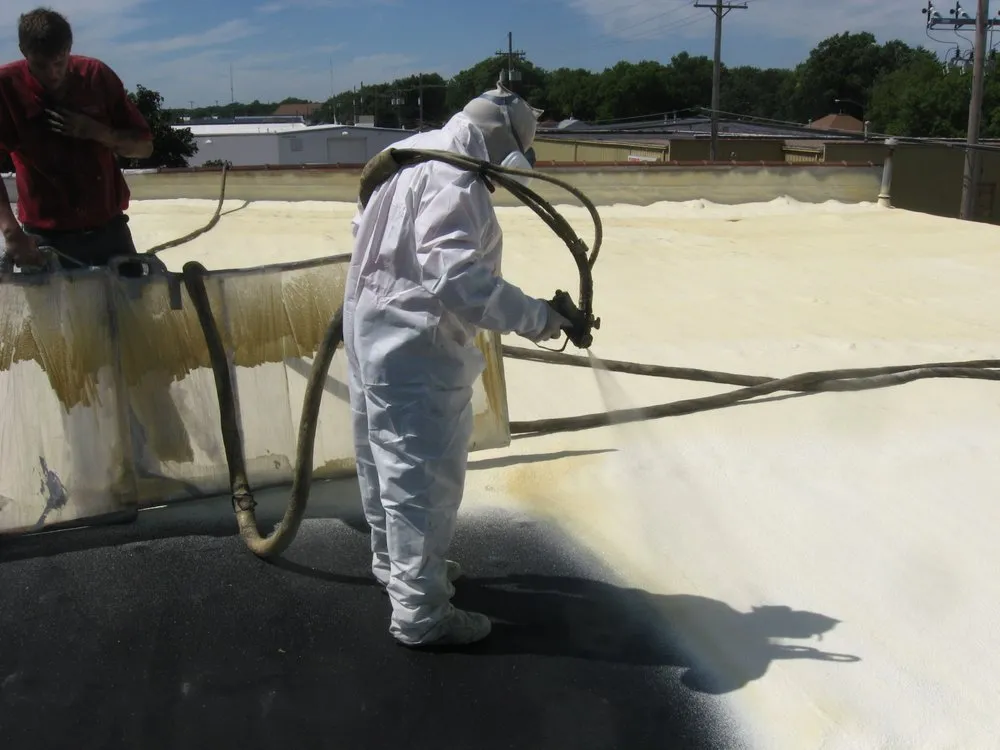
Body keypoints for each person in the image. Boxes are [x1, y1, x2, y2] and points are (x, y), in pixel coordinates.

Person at [344, 83, 571, 648]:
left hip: (370, 328)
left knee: (382, 461)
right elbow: (458, 279)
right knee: (422, 478)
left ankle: (396, 567)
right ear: (507, 149)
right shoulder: (458, 179)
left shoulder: (409, 153)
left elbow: (362, 228)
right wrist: (539, 317)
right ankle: (420, 613)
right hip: (417, 347)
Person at [0, 7, 154, 272]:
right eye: (41, 65)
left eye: (59, 63)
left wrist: (98, 132)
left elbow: (144, 148)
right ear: (23, 51)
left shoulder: (97, 76)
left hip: (110, 231)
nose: (52, 74)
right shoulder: (5, 87)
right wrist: (11, 232)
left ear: (69, 48)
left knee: (132, 298)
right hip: (44, 236)